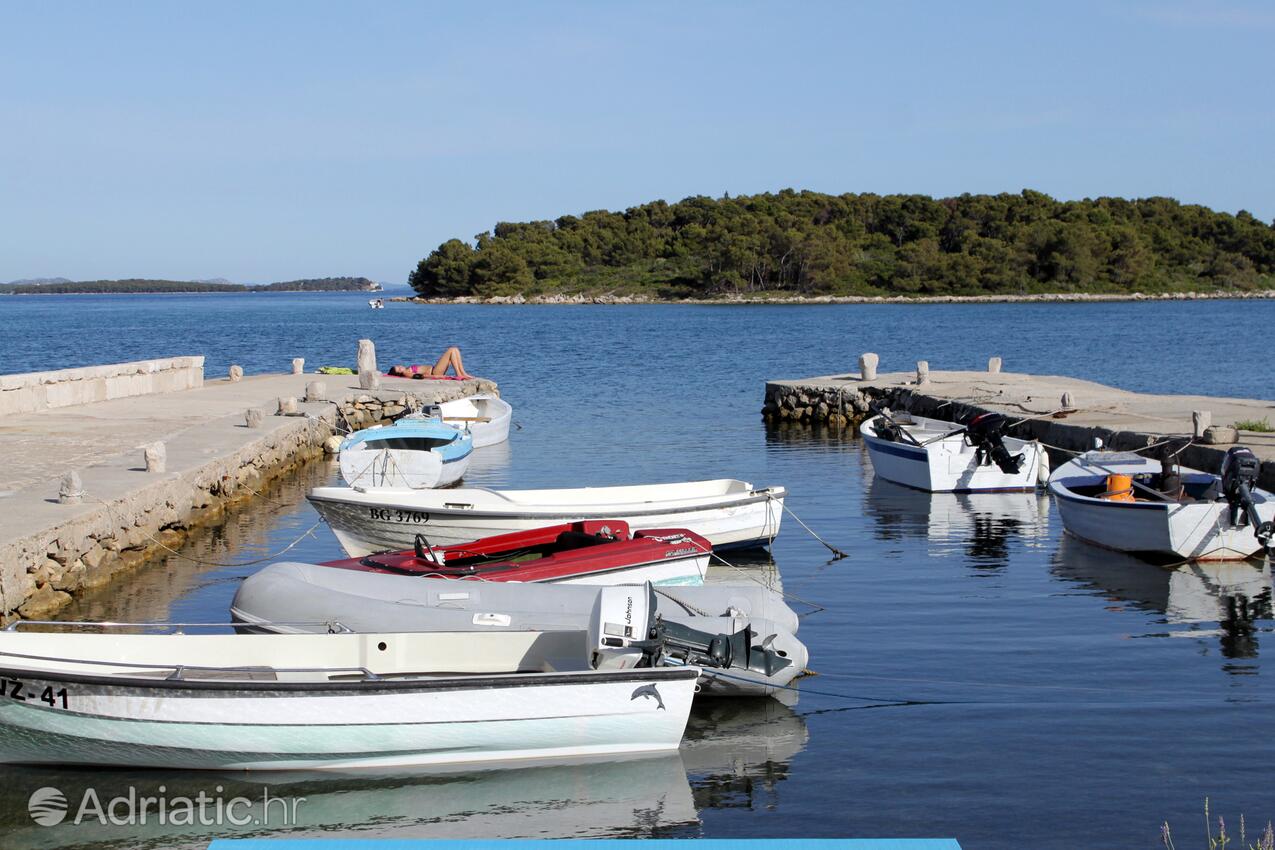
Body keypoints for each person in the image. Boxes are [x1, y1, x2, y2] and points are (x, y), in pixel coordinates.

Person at [388, 347, 471, 380]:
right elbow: (419, 376)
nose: (400, 366)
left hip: (435, 369)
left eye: (398, 366)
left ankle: (463, 373)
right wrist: (436, 376)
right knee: (451, 350)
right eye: (398, 368)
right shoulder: (405, 373)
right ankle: (459, 374)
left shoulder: (406, 369)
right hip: (434, 372)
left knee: (455, 350)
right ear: (399, 373)